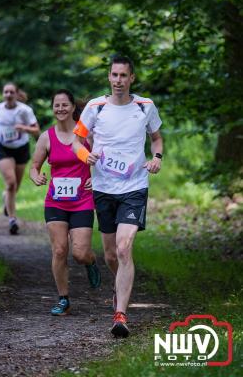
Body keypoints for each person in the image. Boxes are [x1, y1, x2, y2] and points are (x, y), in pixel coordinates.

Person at [73, 55, 163, 337]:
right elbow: (77, 141)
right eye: (114, 75)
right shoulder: (95, 107)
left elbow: (157, 138)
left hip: (134, 187)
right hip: (103, 188)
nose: (118, 81)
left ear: (132, 78)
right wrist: (86, 155)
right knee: (111, 253)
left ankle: (120, 314)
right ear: (109, 77)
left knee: (125, 248)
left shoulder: (145, 106)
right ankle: (119, 286)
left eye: (124, 75)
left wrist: (156, 157)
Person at [30, 89, 101, 316]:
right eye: (56, 105)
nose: (60, 109)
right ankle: (63, 299)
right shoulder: (46, 137)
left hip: (82, 200)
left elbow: (103, 159)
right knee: (60, 250)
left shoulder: (86, 135)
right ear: (53, 109)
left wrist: (97, 179)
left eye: (64, 105)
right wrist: (37, 177)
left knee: (80, 253)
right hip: (56, 202)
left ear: (72, 108)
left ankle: (91, 262)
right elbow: (34, 167)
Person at [0, 82, 40, 234]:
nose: (8, 95)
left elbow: (36, 130)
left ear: (17, 94)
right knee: (11, 183)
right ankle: (12, 220)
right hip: (2, 148)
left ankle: (6, 198)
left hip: (21, 149)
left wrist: (24, 128)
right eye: (6, 92)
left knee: (15, 186)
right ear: (3, 94)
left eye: (11, 92)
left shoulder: (25, 110)